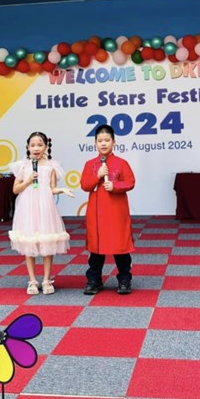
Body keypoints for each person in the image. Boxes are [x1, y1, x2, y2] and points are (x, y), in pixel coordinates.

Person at [9, 131, 72, 295]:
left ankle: (46, 280)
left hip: (45, 206)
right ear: (28, 147)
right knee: (29, 241)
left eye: (39, 145)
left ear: (46, 146)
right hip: (27, 206)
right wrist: (28, 181)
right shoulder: (23, 166)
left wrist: (62, 190)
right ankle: (32, 280)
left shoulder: (51, 166)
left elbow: (52, 188)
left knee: (47, 241)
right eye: (33, 145)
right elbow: (15, 189)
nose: (36, 148)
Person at [80, 124, 135, 295]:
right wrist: (97, 176)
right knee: (96, 249)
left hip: (116, 212)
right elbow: (84, 185)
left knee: (120, 247)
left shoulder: (121, 163)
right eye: (100, 141)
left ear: (114, 142)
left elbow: (131, 182)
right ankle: (94, 280)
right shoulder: (90, 164)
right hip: (97, 214)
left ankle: (124, 279)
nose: (103, 144)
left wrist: (115, 186)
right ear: (95, 143)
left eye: (107, 140)